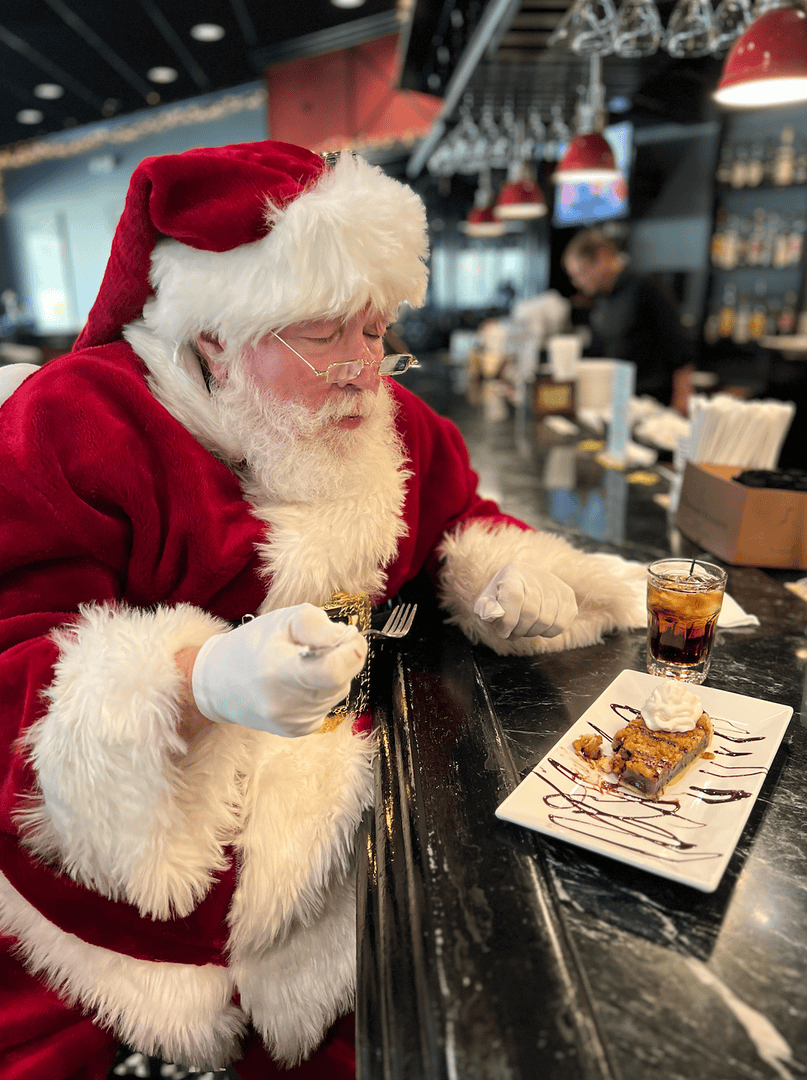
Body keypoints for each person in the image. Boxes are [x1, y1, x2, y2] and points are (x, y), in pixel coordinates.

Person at [0, 140, 646, 1080]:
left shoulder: (384, 417)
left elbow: (459, 515)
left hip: (345, 837)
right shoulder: (78, 421)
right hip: (136, 867)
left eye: (375, 330)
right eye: (322, 334)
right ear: (216, 335)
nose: (364, 369)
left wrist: (495, 573)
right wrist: (195, 681)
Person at [561, 228, 695, 407]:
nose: (578, 282)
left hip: (652, 400)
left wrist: (683, 396)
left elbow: (678, 345)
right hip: (617, 400)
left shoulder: (645, 286)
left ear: (602, 258)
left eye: (581, 273)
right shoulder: (601, 298)